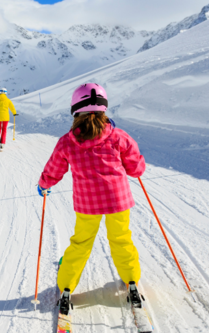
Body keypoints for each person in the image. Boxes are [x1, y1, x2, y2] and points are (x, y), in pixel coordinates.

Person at [36, 83, 146, 312]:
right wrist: (135, 169)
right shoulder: (117, 136)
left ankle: (66, 287)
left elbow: (55, 168)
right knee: (121, 239)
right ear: (103, 108)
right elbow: (135, 166)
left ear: (75, 110)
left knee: (81, 243)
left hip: (88, 203)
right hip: (118, 201)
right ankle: (132, 282)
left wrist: (44, 183)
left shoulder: (67, 141)